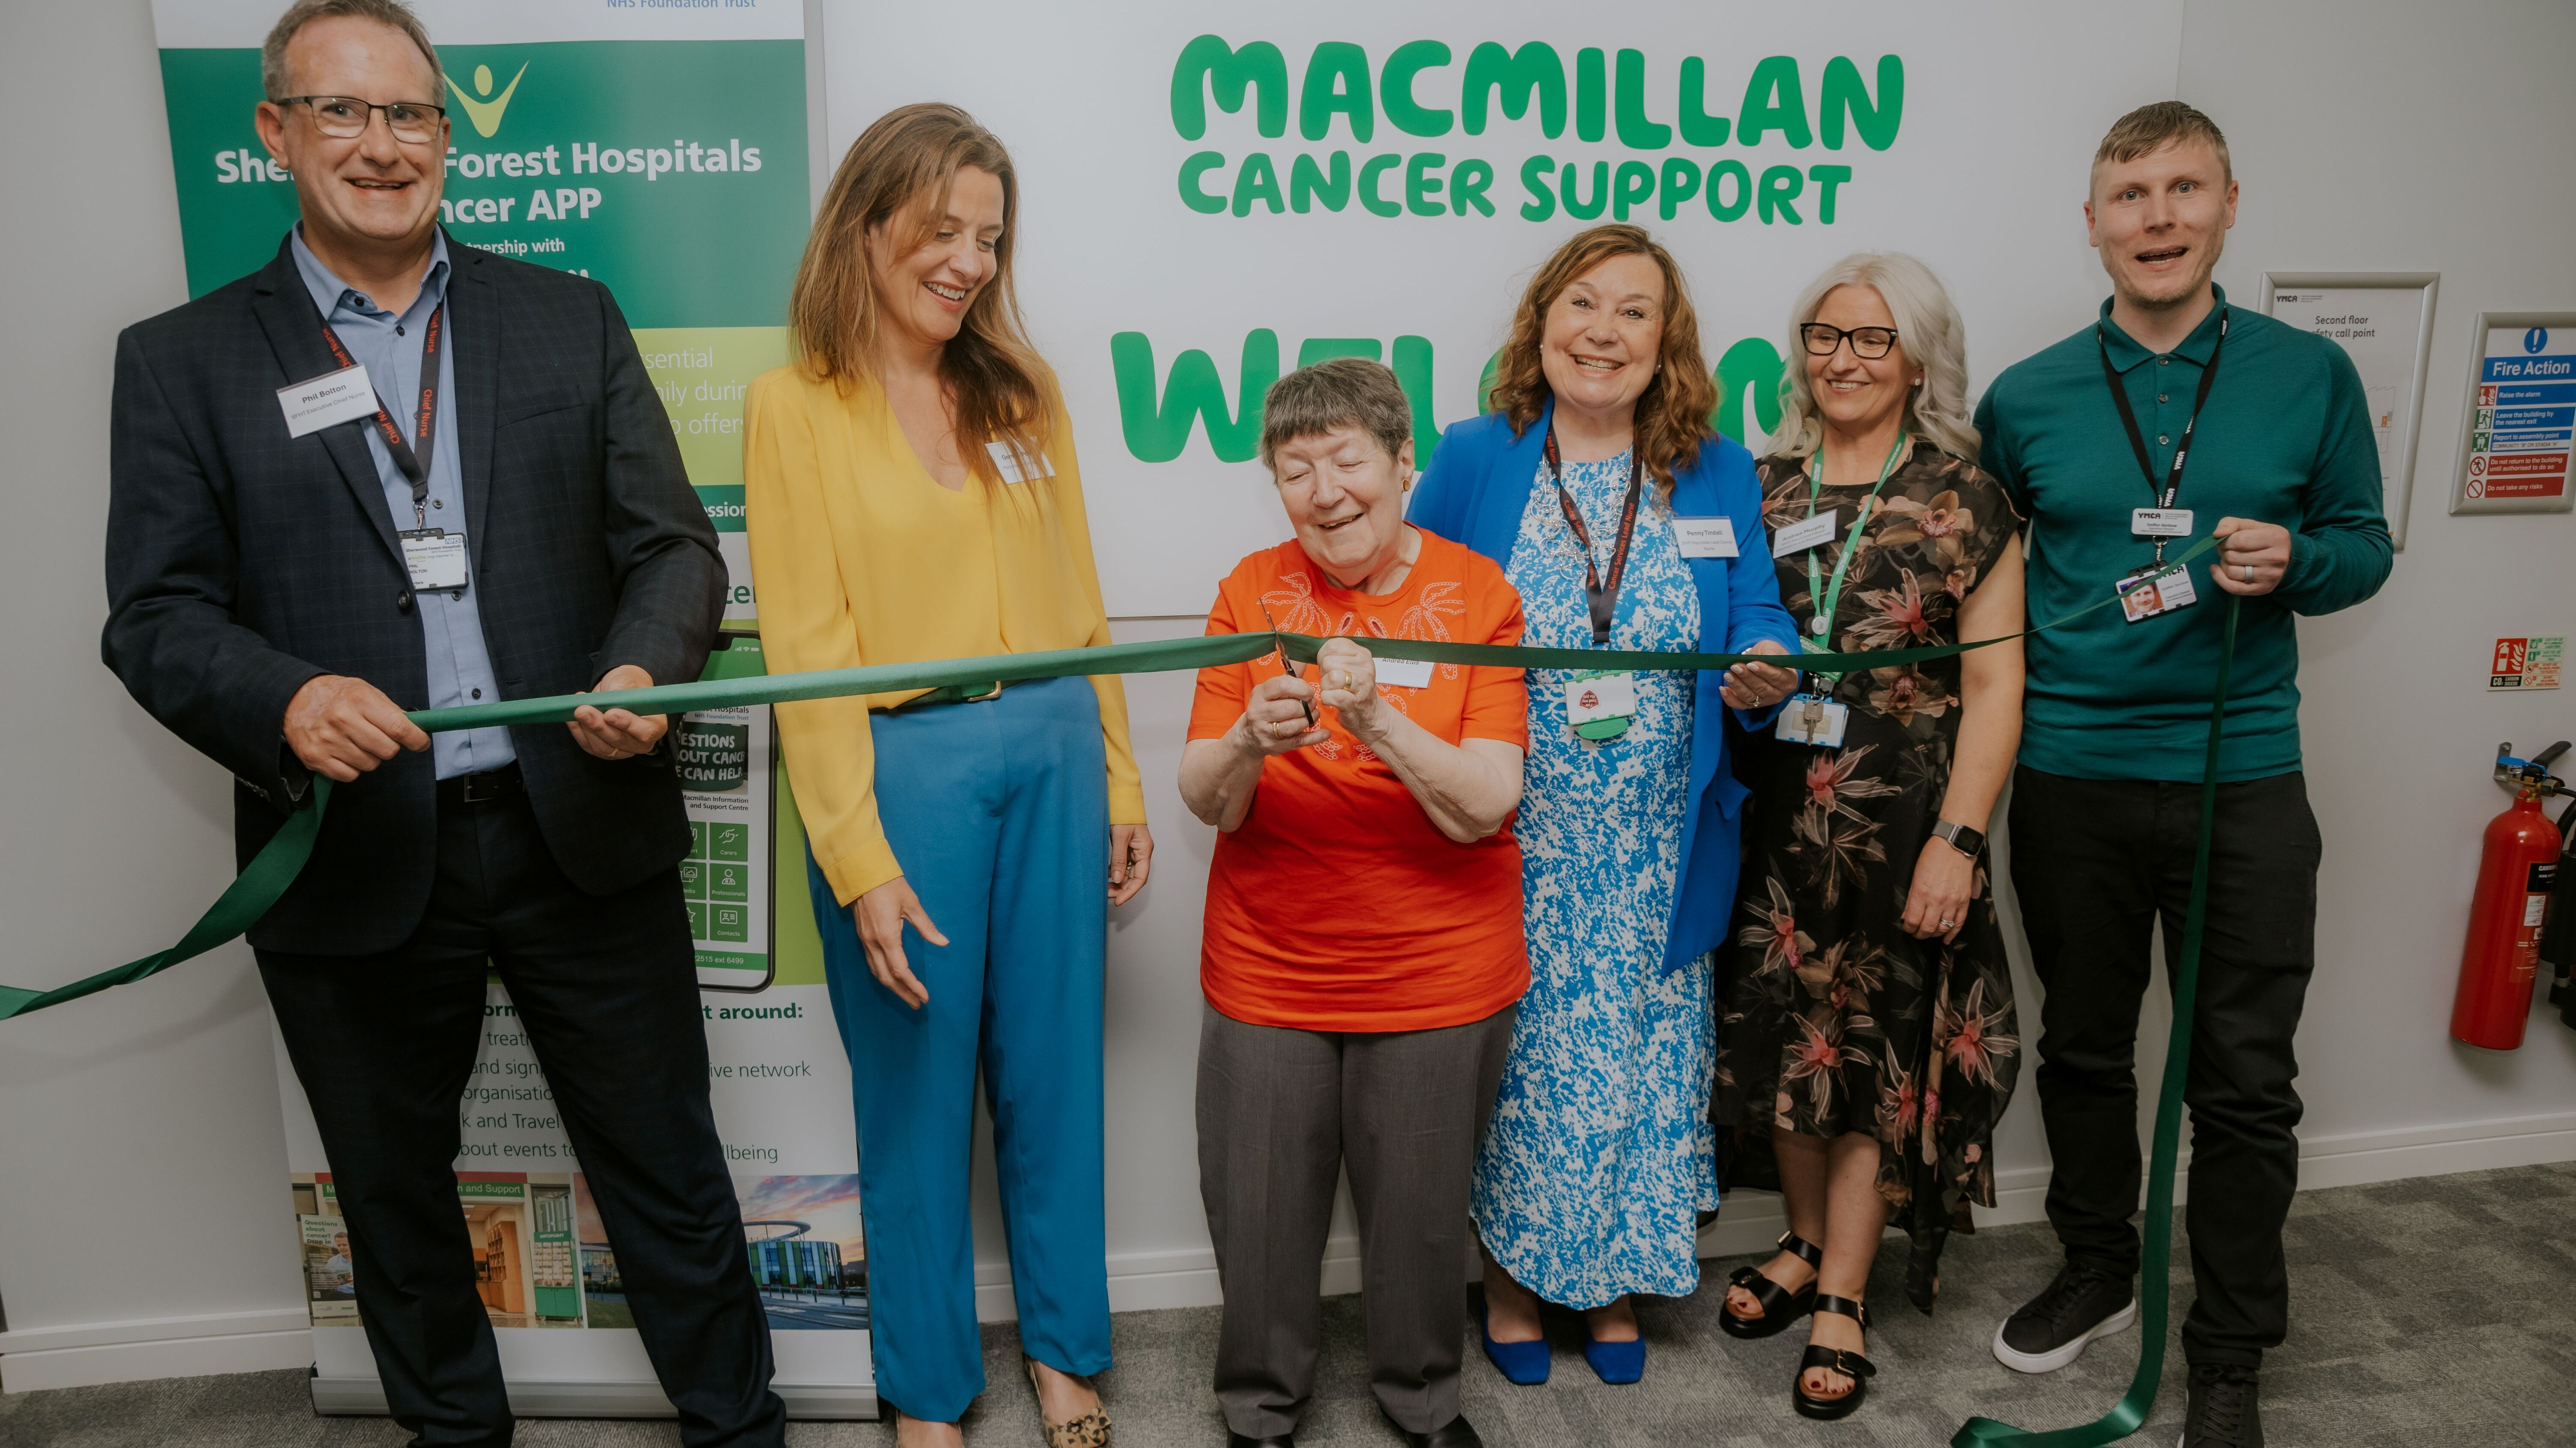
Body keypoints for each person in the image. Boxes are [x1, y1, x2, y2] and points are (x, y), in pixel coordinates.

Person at [99, 3, 783, 1444]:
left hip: (579, 832)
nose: (382, 146)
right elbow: (155, 618)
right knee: (395, 1199)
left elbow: (671, 549)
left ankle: (740, 1429)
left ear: (446, 136)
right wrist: (280, 697)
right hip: (353, 858)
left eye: (410, 114)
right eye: (341, 113)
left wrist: (642, 672)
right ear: (275, 130)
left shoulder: (564, 313)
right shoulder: (181, 361)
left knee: (668, 1170)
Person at [1973, 101, 2392, 1448]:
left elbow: (2366, 544)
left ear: (2227, 205)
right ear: (2092, 222)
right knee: (2087, 1048)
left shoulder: (2306, 375)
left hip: (2244, 779)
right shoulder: (2026, 395)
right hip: (2071, 778)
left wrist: (2305, 565)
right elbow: (1975, 586)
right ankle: (2100, 1261)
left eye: (2181, 190)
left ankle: (2227, 1347)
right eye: (2129, 195)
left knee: (2244, 1079)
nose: (2156, 217)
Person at [743, 103, 1145, 1448]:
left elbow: (1083, 606)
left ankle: (1070, 1356)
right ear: (869, 224)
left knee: (1054, 1077)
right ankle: (925, 1389)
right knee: (911, 1099)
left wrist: (1123, 780)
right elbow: (804, 653)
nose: (971, 261)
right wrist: (856, 857)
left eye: (992, 236)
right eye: (944, 230)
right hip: (898, 765)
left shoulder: (1023, 390)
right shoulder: (791, 406)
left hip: (1049, 752)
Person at [1408, 223, 1801, 1387]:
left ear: (1666, 340)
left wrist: (1770, 657)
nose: (1605, 332)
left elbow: (1761, 612)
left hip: (1655, 843)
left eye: (1636, 311)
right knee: (1525, 1063)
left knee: (1643, 1063)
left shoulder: (1715, 467)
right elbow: (1423, 606)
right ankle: (1516, 1280)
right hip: (1512, 832)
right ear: (1542, 321)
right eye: (1584, 303)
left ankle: (1618, 1275)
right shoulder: (1478, 454)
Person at [1180, 358, 1530, 1448]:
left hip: (1438, 975)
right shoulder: (1249, 592)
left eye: (1345, 459)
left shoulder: (1481, 597)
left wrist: (1374, 716)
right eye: (1295, 469)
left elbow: (1486, 802)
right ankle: (1260, 1410)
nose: (1324, 490)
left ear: (1400, 464)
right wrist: (1247, 736)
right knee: (1260, 1214)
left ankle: (1423, 1401)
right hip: (1268, 969)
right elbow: (1206, 797)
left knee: (1421, 1224)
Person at [1711, 253, 2027, 1420]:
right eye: (1823, 334)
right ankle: (1801, 1242)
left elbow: (1999, 689)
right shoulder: (1761, 485)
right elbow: (1731, 641)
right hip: (1777, 816)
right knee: (1791, 1035)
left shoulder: (1965, 497)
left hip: (1903, 821)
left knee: (1875, 1047)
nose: (1842, 359)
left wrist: (1960, 838)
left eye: (1872, 339)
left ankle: (1843, 1287)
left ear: (1919, 356)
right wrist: (1746, 679)